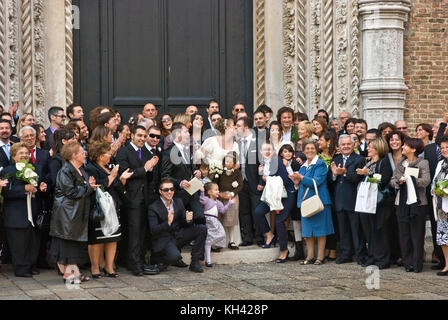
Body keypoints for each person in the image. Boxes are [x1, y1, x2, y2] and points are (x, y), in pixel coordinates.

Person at [49, 141, 98, 284]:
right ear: (74, 155)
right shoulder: (65, 170)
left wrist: (89, 185)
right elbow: (70, 191)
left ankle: (72, 272)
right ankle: (69, 274)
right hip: (67, 214)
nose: (85, 155)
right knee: (67, 244)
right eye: (82, 153)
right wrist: (89, 187)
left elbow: (82, 187)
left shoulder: (81, 169)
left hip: (76, 213)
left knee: (73, 244)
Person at [116, 125, 160, 276]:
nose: (142, 138)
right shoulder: (123, 151)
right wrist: (145, 169)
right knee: (133, 232)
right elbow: (125, 173)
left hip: (146, 198)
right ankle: (134, 264)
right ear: (132, 135)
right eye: (139, 135)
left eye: (144, 136)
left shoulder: (146, 152)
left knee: (142, 232)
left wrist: (150, 170)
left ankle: (139, 260)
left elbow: (148, 178)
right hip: (131, 198)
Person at [86, 142, 134, 279]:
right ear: (100, 156)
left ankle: (109, 265)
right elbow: (98, 187)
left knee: (113, 238)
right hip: (100, 208)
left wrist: (122, 178)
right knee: (98, 239)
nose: (110, 156)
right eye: (108, 153)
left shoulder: (108, 167)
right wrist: (112, 176)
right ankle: (95, 267)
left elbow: (117, 186)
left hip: (114, 207)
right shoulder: (91, 168)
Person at [2, 143, 47, 277]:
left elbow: (42, 187)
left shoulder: (36, 169)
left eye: (26, 153)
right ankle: (21, 268)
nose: (24, 155)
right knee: (19, 242)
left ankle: (31, 265)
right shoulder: (8, 171)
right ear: (14, 156)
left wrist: (43, 187)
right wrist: (24, 189)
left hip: (33, 211)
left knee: (33, 241)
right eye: (21, 153)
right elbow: (5, 191)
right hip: (16, 213)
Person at [148, 178, 207, 273]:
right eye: (166, 190)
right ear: (160, 191)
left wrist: (188, 220)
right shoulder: (153, 207)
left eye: (171, 189)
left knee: (201, 228)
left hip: (177, 236)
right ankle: (159, 260)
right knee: (175, 257)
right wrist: (167, 223)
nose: (169, 192)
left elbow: (184, 222)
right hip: (164, 240)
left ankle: (195, 262)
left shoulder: (178, 202)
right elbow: (153, 230)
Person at [390, 137, 430, 273]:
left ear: (413, 149)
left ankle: (417, 264)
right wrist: (398, 182)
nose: (402, 147)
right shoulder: (400, 163)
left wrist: (410, 180)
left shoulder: (423, 163)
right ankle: (407, 263)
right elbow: (393, 180)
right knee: (404, 234)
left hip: (418, 203)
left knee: (417, 235)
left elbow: (426, 181)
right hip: (401, 201)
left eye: (405, 146)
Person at [255, 143, 301, 263]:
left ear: (274, 151)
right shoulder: (264, 164)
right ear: (260, 152)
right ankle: (270, 235)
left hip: (287, 194)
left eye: (269, 149)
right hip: (273, 194)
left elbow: (285, 180)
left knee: (280, 220)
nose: (267, 151)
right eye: (264, 149)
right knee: (258, 212)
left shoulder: (278, 162)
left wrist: (267, 178)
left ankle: (284, 250)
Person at [291, 139, 334, 265]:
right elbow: (302, 185)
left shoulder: (320, 164)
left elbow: (316, 182)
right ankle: (309, 256)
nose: (309, 151)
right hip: (306, 202)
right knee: (307, 231)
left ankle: (320, 257)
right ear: (303, 151)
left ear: (316, 150)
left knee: (321, 231)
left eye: (312, 148)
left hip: (319, 201)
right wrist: (296, 183)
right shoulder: (303, 166)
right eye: (307, 149)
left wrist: (301, 178)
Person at [356, 138, 394, 269]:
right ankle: (372, 256)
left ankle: (382, 259)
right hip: (366, 201)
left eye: (370, 147)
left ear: (377, 149)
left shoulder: (384, 162)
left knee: (380, 230)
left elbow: (383, 180)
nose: (368, 149)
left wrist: (369, 173)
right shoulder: (368, 162)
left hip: (379, 202)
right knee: (369, 230)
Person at [329, 134, 367, 265]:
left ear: (353, 145)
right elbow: (330, 181)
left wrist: (344, 173)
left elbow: (357, 177)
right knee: (343, 230)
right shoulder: (336, 159)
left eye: (348, 144)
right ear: (339, 146)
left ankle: (360, 255)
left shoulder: (359, 159)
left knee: (357, 230)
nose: (345, 146)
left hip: (354, 199)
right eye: (343, 144)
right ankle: (345, 254)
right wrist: (334, 174)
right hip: (339, 200)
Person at [161, 122, 205, 225]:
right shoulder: (168, 153)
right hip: (179, 196)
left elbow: (189, 170)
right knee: (183, 225)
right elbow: (164, 176)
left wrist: (197, 173)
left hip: (193, 193)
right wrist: (179, 183)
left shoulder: (187, 150)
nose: (189, 134)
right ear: (177, 134)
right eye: (185, 132)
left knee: (200, 220)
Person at [236, 117, 264, 247]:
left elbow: (263, 164)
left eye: (238, 126)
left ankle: (259, 237)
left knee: (256, 209)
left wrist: (261, 182)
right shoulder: (236, 143)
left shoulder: (258, 143)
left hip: (254, 182)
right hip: (241, 182)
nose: (236, 128)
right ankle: (247, 237)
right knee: (244, 211)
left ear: (245, 127)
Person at [200, 182, 234, 267]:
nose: (218, 191)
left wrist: (229, 203)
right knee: (208, 240)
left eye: (218, 189)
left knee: (222, 234)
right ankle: (208, 260)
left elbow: (222, 210)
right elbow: (201, 199)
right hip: (208, 220)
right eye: (216, 190)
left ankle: (212, 245)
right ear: (209, 192)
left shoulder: (218, 202)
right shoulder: (207, 200)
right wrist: (202, 191)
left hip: (215, 221)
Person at [318, 131, 338, 261]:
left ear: (328, 141)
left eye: (321, 140)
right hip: (322, 191)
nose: (318, 142)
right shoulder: (318, 157)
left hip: (335, 190)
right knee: (326, 220)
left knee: (334, 220)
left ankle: (333, 248)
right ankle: (326, 248)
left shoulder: (337, 156)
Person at [217, 151, 243, 250]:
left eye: (230, 162)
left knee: (231, 219)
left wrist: (232, 194)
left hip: (232, 198)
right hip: (220, 197)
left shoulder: (237, 173)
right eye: (226, 161)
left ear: (234, 163)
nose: (228, 163)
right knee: (220, 218)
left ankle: (231, 241)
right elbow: (216, 183)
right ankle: (219, 241)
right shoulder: (219, 172)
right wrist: (219, 194)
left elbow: (240, 185)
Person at [431, 136, 448, 276]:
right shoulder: (440, 163)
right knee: (443, 237)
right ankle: (447, 265)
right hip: (442, 206)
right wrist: (435, 189)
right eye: (442, 148)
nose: (444, 150)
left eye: (447, 147)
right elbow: (434, 181)